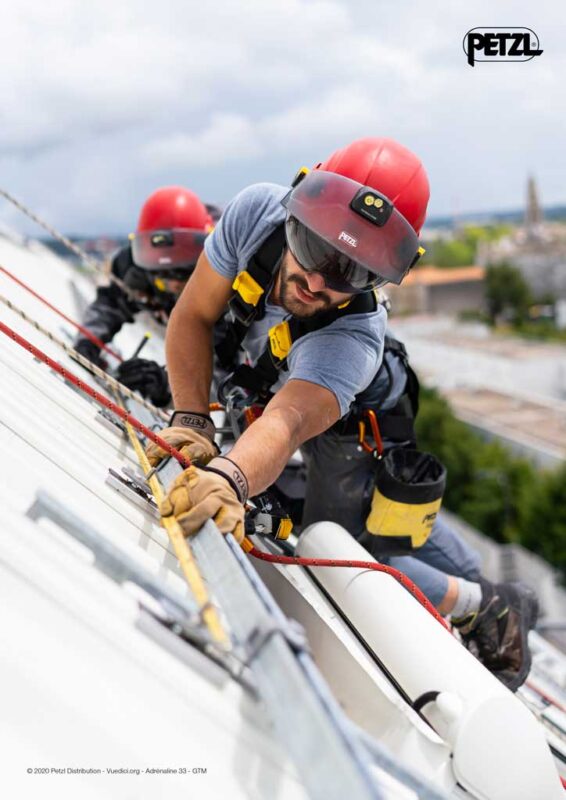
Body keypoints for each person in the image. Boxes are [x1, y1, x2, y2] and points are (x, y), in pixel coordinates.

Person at [146, 137, 538, 691]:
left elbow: (286, 423)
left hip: (359, 422)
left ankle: (490, 602)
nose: (317, 281)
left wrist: (230, 478)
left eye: (351, 272)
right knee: (328, 519)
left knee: (342, 546)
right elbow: (193, 317)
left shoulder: (353, 337)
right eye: (313, 245)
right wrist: (191, 419)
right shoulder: (257, 212)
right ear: (296, 208)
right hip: (289, 385)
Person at [74, 187, 218, 406]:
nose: (174, 282)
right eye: (164, 270)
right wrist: (88, 341)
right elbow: (110, 305)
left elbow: (227, 374)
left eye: (181, 267)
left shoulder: (225, 280)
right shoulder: (136, 269)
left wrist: (166, 387)